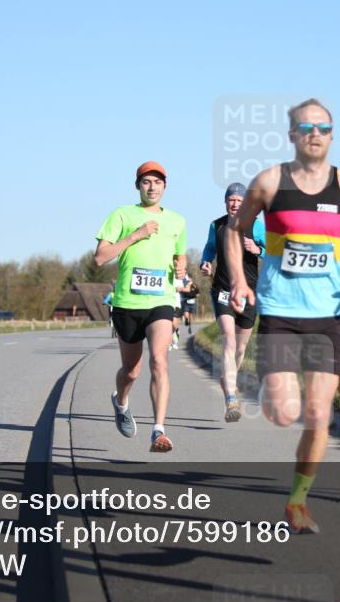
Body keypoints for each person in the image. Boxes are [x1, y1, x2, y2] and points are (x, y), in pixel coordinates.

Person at [226, 99, 340, 532]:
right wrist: (239, 281)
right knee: (285, 414)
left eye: (323, 127)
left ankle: (297, 502)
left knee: (318, 414)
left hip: (328, 315)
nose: (315, 134)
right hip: (281, 313)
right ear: (292, 134)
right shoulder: (270, 182)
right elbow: (234, 230)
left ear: (332, 135)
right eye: (306, 127)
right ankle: (268, 389)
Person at [94, 161, 187, 452]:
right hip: (127, 303)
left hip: (161, 301)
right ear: (138, 186)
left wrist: (181, 265)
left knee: (159, 360)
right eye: (146, 182)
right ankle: (121, 402)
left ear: (165, 186)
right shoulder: (122, 214)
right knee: (131, 372)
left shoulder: (177, 221)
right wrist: (136, 235)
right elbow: (100, 257)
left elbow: (180, 255)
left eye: (157, 182)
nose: (152, 187)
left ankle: (158, 431)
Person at [200, 182, 266, 422]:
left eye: (239, 200)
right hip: (223, 290)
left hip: (248, 292)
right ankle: (231, 397)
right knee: (229, 339)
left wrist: (257, 249)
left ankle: (229, 378)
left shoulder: (256, 225)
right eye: (231, 200)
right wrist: (205, 262)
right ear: (226, 202)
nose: (235, 204)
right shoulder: (216, 225)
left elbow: (272, 251)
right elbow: (209, 249)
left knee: (240, 347)